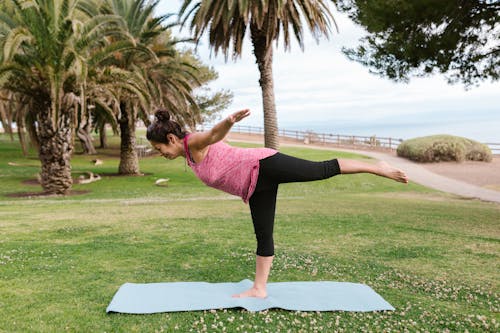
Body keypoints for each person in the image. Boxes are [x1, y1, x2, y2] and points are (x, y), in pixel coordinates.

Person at [147, 108, 408, 299]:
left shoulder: (192, 142)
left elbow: (214, 135)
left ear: (171, 139)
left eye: (160, 149)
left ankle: (376, 167)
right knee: (263, 234)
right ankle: (259, 288)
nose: (162, 155)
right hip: (255, 184)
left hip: (264, 165)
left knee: (319, 170)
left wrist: (228, 122)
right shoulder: (189, 154)